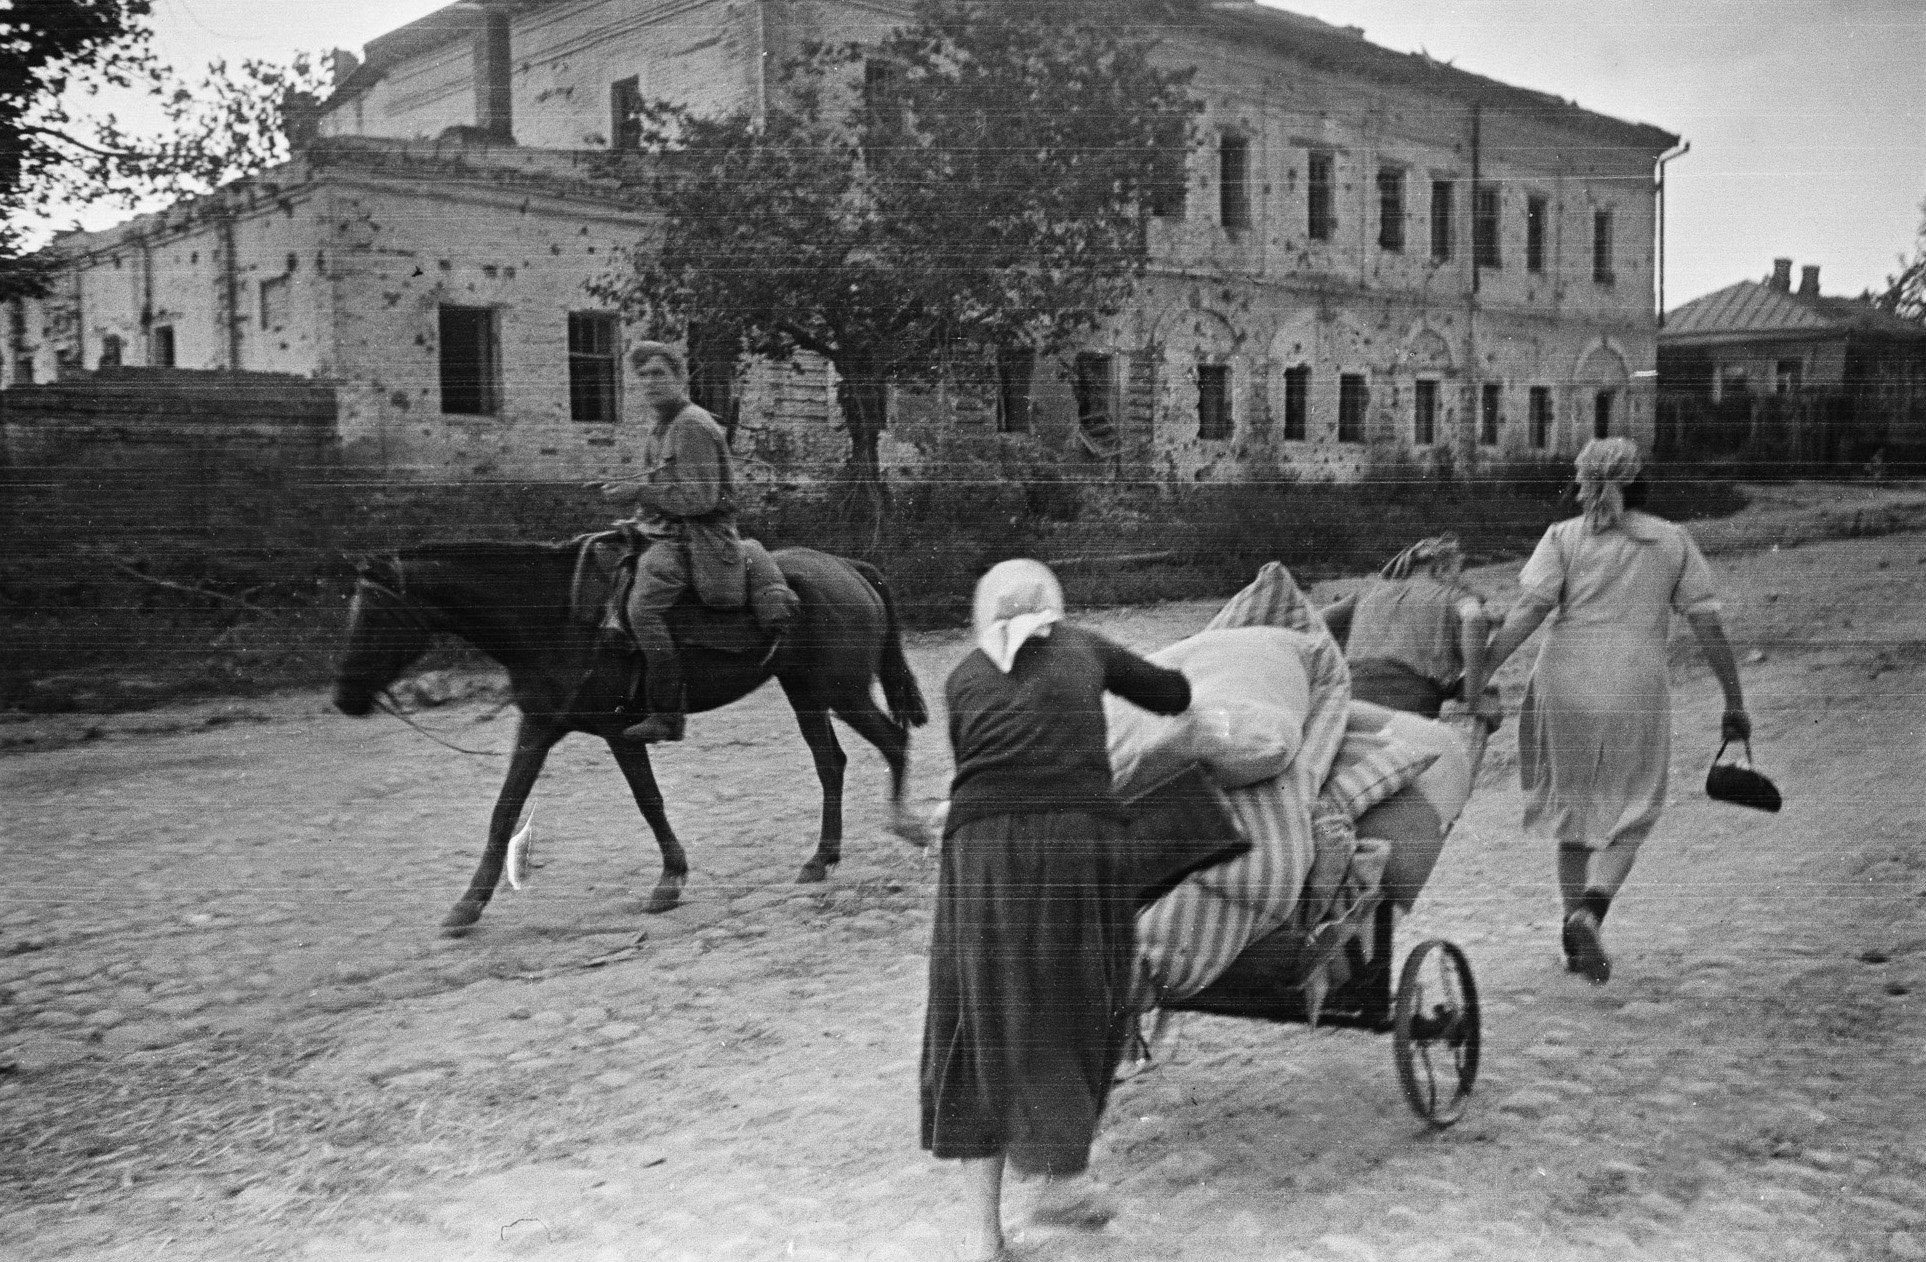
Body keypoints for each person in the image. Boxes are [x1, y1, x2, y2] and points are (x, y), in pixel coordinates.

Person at [922, 559, 1192, 1262]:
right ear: (1053, 609)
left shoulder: (961, 673)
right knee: (1085, 999)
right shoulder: (1086, 646)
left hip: (977, 856)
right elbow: (1171, 693)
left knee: (977, 1018)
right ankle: (1061, 1177)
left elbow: (984, 764)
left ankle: (987, 1236)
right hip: (1077, 843)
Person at [1482, 438, 1750, 984]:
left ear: (1586, 482)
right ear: (1639, 483)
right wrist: (1734, 700)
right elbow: (1708, 624)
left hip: (1563, 682)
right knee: (1634, 810)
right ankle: (1592, 912)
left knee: (1572, 814)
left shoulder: (1562, 538)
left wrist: (1477, 674)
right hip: (1633, 685)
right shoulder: (1672, 541)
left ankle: (1571, 934)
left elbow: (1526, 614)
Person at [599, 341, 790, 744]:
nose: (649, 383)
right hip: (671, 533)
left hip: (701, 540)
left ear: (680, 378)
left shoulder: (691, 425)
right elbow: (663, 490)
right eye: (643, 376)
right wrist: (634, 513)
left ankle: (666, 713)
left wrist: (639, 496)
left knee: (643, 607)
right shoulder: (663, 426)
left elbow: (700, 500)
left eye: (658, 374)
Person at [1321, 533, 1493, 719]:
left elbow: (1316, 621)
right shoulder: (1453, 595)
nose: (1463, 580)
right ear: (1442, 569)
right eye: (1460, 572)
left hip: (1350, 691)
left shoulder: (1369, 590)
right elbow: (1474, 618)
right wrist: (1472, 698)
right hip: (1411, 694)